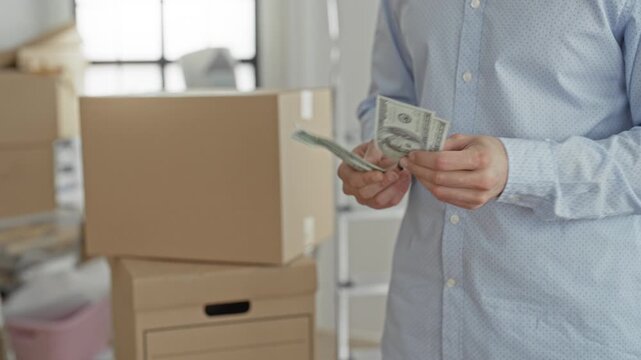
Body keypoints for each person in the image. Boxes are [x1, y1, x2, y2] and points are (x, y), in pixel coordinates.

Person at [338, 0, 641, 359]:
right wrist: (378, 159)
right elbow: (387, 101)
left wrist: (518, 170)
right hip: (420, 327)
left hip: (567, 331)